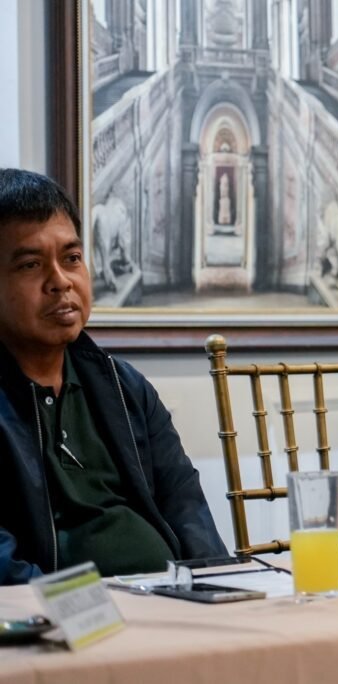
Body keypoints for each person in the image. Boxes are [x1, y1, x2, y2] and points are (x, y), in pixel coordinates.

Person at [0, 169, 226, 585]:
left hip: (171, 603)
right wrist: (97, 611)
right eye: (31, 264)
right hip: (63, 618)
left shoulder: (123, 387)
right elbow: (7, 572)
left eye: (72, 258)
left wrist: (221, 591)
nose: (61, 281)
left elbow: (186, 505)